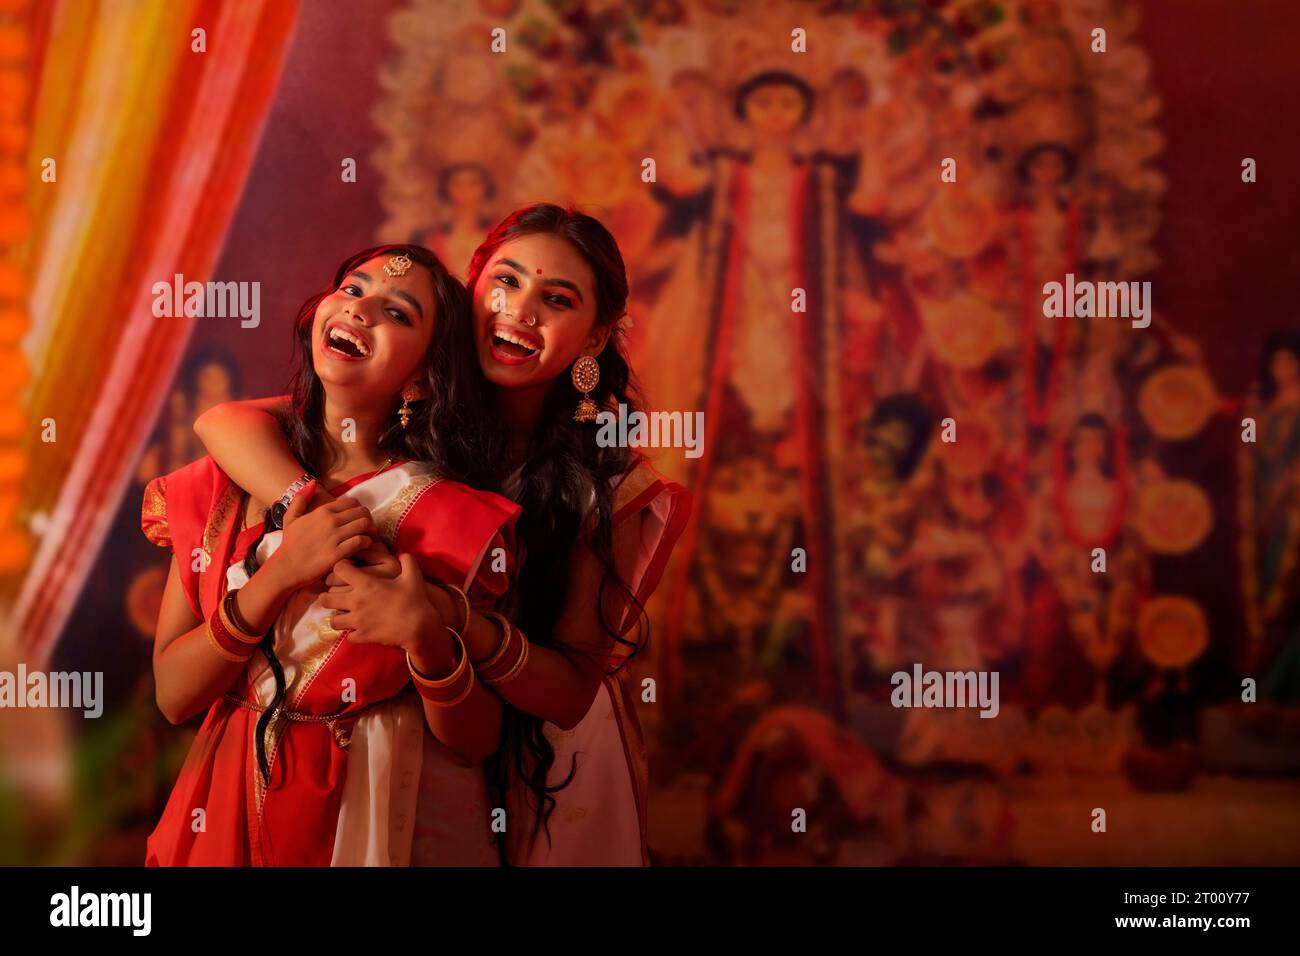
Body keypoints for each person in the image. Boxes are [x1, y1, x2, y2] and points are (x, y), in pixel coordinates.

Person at [193, 205, 691, 865]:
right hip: (416, 746)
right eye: (505, 282)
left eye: (557, 299)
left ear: (596, 339)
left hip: (553, 773)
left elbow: (571, 692)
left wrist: (444, 617)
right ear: (472, 283)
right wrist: (310, 514)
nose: (519, 310)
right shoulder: (415, 399)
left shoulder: (606, 481)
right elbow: (227, 422)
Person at [142, 245, 518, 866]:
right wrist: (280, 573)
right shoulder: (220, 485)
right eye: (352, 288)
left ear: (423, 377)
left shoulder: (449, 518)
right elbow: (173, 695)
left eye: (398, 313)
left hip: (375, 808)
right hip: (228, 794)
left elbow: (478, 739)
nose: (362, 308)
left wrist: (426, 636)